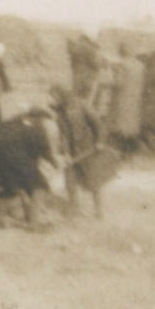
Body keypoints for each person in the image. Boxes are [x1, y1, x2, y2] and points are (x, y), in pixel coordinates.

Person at [0, 105, 58, 227]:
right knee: (40, 187)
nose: (42, 122)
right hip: (20, 165)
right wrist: (55, 163)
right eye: (41, 119)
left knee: (13, 190)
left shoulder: (4, 125)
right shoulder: (37, 129)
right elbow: (45, 150)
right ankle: (34, 223)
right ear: (36, 118)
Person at [51, 84, 115, 218]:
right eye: (53, 97)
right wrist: (66, 153)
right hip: (73, 151)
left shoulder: (82, 106)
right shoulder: (60, 112)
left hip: (88, 148)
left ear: (63, 95)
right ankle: (73, 210)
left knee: (93, 181)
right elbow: (64, 135)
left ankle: (98, 210)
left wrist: (100, 141)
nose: (54, 99)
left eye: (55, 96)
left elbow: (99, 125)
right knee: (69, 181)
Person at [104, 44, 145, 151]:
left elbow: (118, 83)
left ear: (121, 52)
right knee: (132, 124)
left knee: (120, 125)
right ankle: (132, 149)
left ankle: (119, 149)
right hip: (135, 98)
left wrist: (106, 84)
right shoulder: (140, 66)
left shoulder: (121, 65)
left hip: (122, 99)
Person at [67, 33, 104, 100]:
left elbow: (72, 62)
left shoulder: (75, 48)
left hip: (76, 75)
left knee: (75, 95)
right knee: (85, 98)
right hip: (87, 77)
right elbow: (95, 64)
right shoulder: (90, 48)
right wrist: (101, 64)